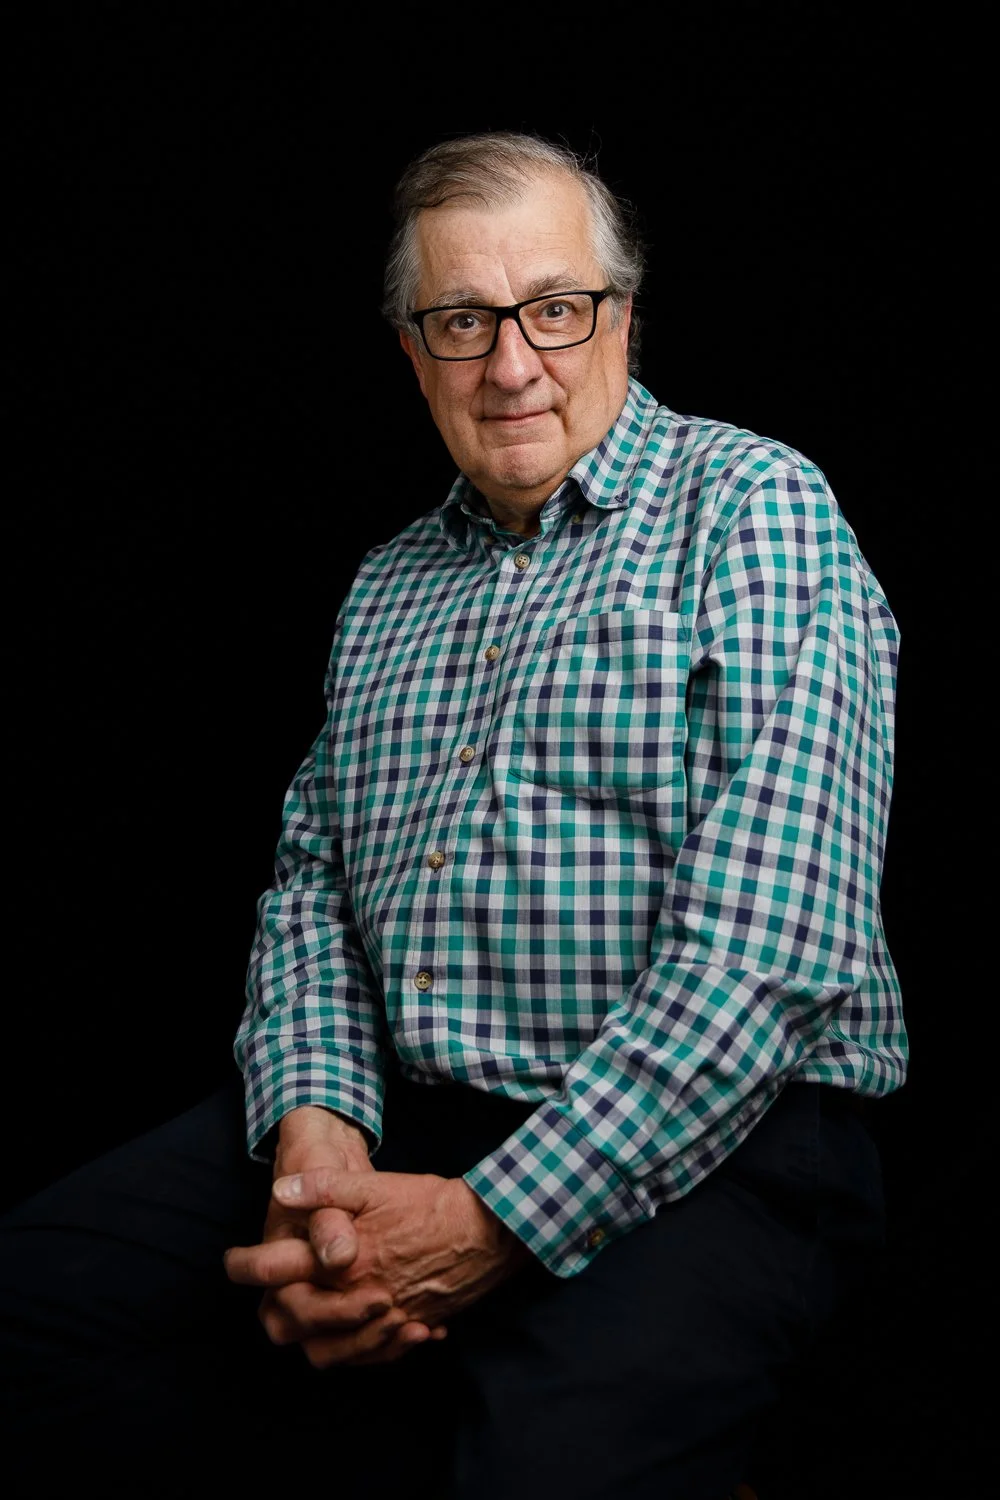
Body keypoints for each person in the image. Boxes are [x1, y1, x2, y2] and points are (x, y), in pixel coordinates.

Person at [0, 133, 907, 1499]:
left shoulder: (753, 508)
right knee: (31, 1305)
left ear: (622, 318)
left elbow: (770, 954)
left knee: (540, 1472)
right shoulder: (388, 585)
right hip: (413, 1112)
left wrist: (492, 1221)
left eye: (554, 308)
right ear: (413, 354)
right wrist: (316, 1135)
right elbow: (310, 885)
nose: (512, 363)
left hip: (723, 1135)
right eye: (461, 322)